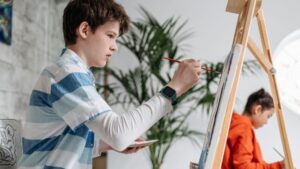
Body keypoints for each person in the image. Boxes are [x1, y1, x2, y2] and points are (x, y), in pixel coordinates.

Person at [17, 0, 202, 168]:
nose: (115, 46)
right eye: (110, 35)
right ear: (84, 30)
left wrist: (107, 145)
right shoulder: (66, 73)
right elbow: (119, 134)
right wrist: (173, 89)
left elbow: (61, 140)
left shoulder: (73, 73)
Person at [222, 88, 285, 169]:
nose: (266, 122)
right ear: (257, 110)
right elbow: (243, 166)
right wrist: (278, 166)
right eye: (268, 116)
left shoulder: (233, 121)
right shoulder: (244, 128)